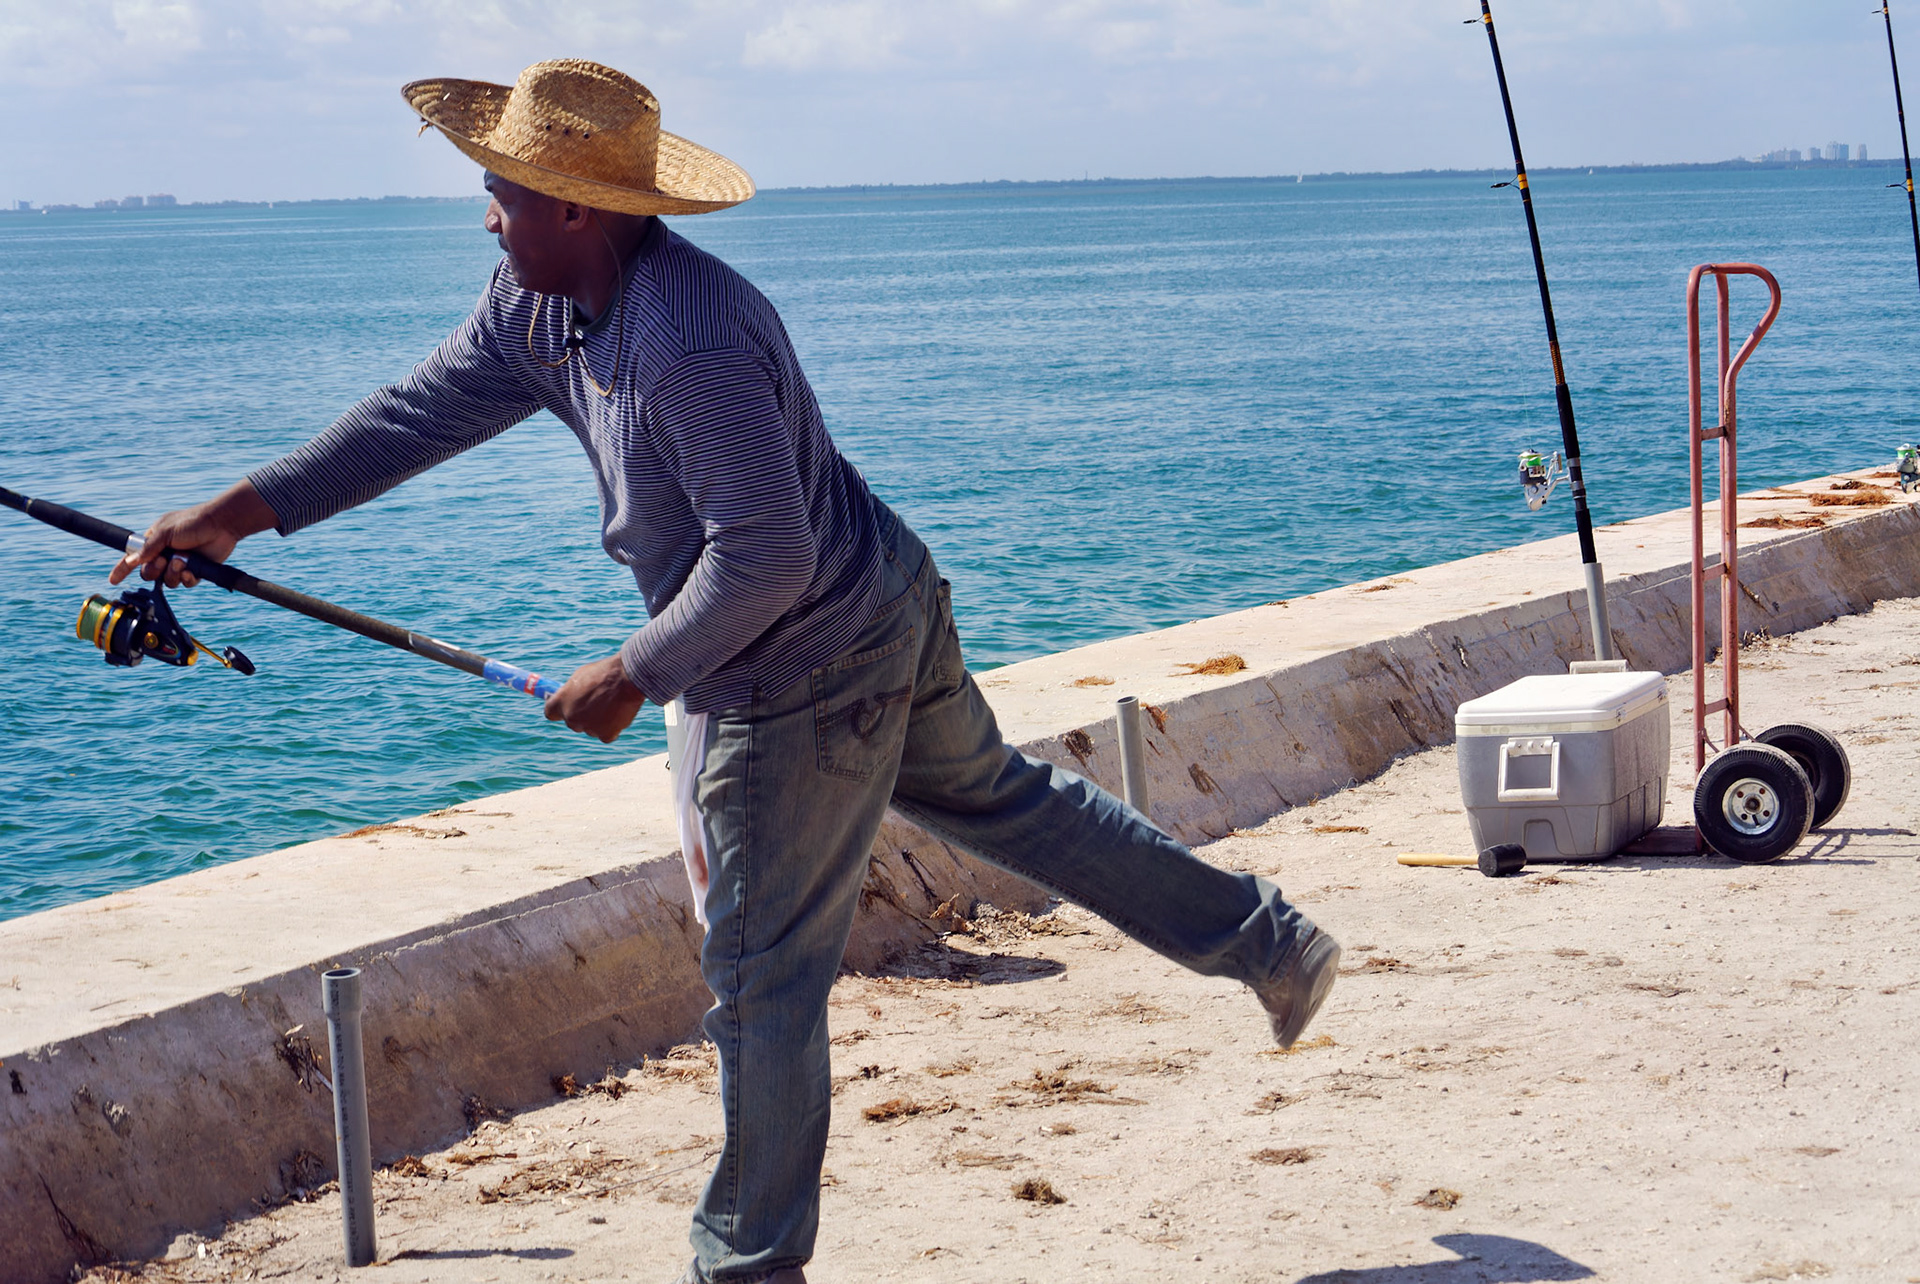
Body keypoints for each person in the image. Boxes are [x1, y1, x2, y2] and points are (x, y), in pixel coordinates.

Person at [113, 60, 1342, 1284]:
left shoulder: (686, 341)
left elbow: (762, 556)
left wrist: (633, 673)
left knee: (761, 976)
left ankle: (747, 1269)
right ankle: (1268, 942)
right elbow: (410, 414)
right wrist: (235, 513)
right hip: (883, 598)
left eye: (501, 192)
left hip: (801, 660)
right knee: (1008, 804)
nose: (485, 213)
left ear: (573, 206)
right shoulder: (532, 306)